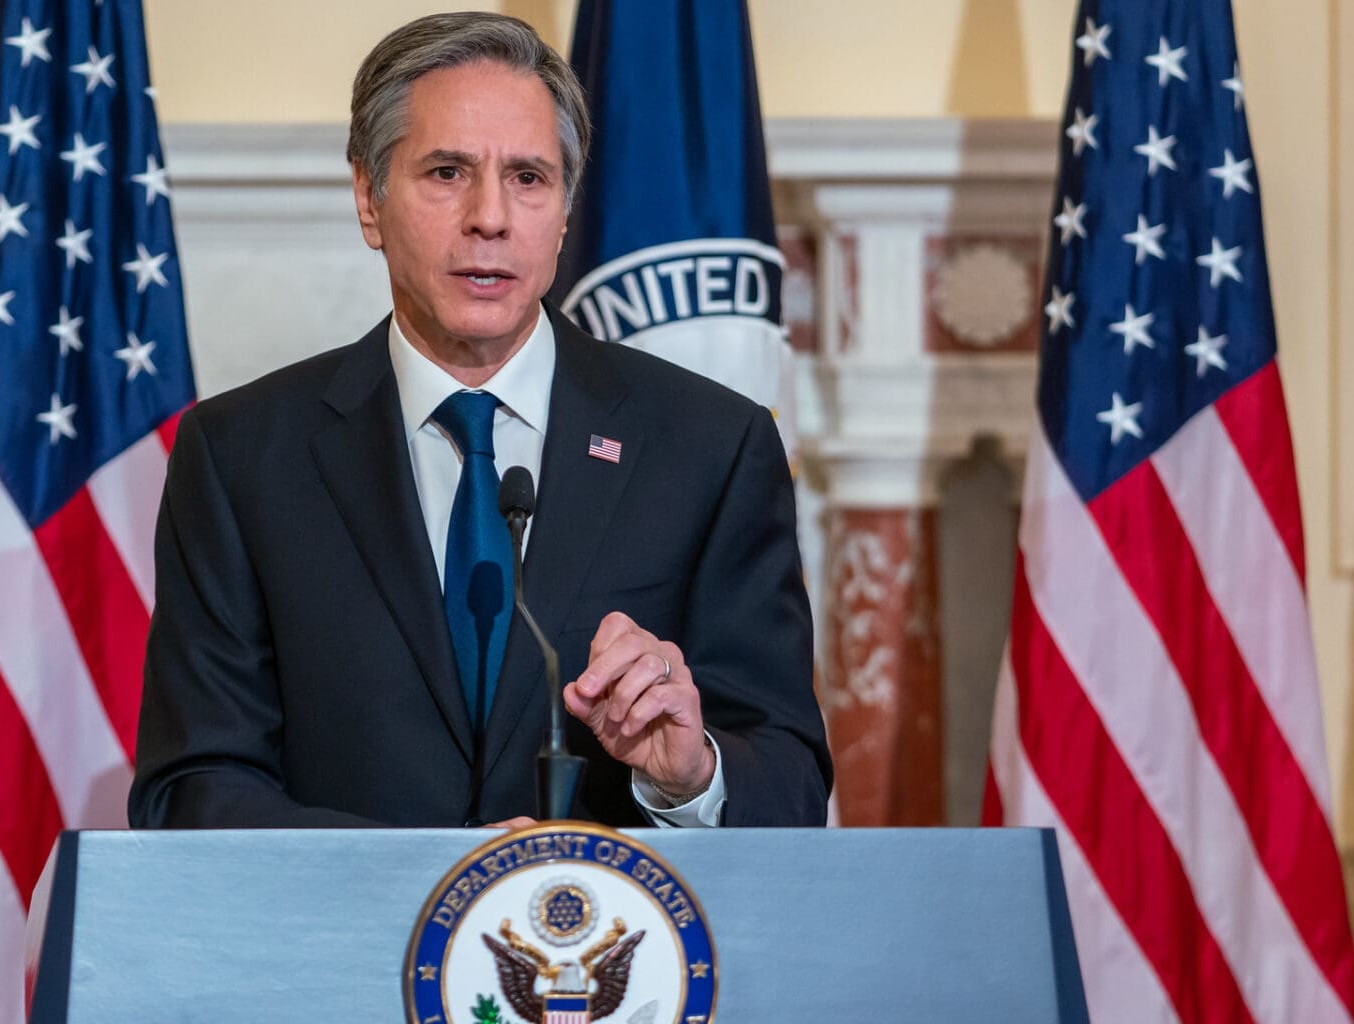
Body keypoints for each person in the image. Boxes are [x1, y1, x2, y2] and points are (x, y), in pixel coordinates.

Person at [128, 11, 830, 830]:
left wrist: (689, 774)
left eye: (529, 177)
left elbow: (788, 783)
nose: (490, 217)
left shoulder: (711, 447)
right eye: (448, 172)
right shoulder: (241, 457)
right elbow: (192, 790)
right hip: (345, 953)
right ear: (369, 197)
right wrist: (447, 883)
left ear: (566, 210)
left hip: (613, 949)